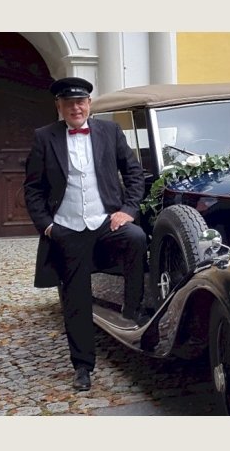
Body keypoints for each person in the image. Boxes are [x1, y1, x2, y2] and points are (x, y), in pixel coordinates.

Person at [24, 77, 148, 391]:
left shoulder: (110, 132)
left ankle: (130, 309)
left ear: (89, 105)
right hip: (67, 228)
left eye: (80, 102)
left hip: (106, 220)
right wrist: (48, 226)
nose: (75, 108)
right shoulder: (44, 137)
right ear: (59, 107)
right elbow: (33, 189)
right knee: (75, 298)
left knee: (135, 237)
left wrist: (128, 210)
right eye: (68, 103)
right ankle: (82, 366)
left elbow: (133, 172)